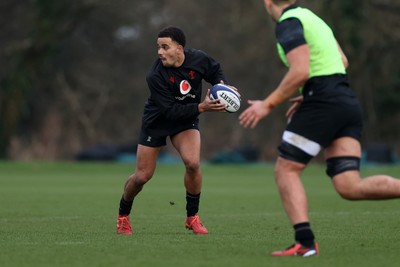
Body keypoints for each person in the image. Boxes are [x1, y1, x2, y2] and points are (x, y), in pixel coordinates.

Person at [239, 0, 400, 257]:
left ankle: (305, 242)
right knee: (349, 185)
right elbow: (342, 61)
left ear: (268, 2)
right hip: (345, 101)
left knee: (286, 169)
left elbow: (301, 70)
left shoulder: (288, 22)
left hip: (323, 103)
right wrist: (310, 92)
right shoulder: (313, 19)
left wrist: (267, 105)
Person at [117, 26, 235, 235]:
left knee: (193, 163)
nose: (160, 52)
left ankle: (192, 217)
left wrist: (223, 86)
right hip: (158, 121)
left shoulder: (198, 59)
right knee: (142, 177)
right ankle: (123, 215)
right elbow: (170, 112)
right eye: (158, 47)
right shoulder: (155, 75)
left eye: (165, 47)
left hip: (186, 119)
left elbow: (215, 71)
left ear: (179, 49)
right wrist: (202, 107)